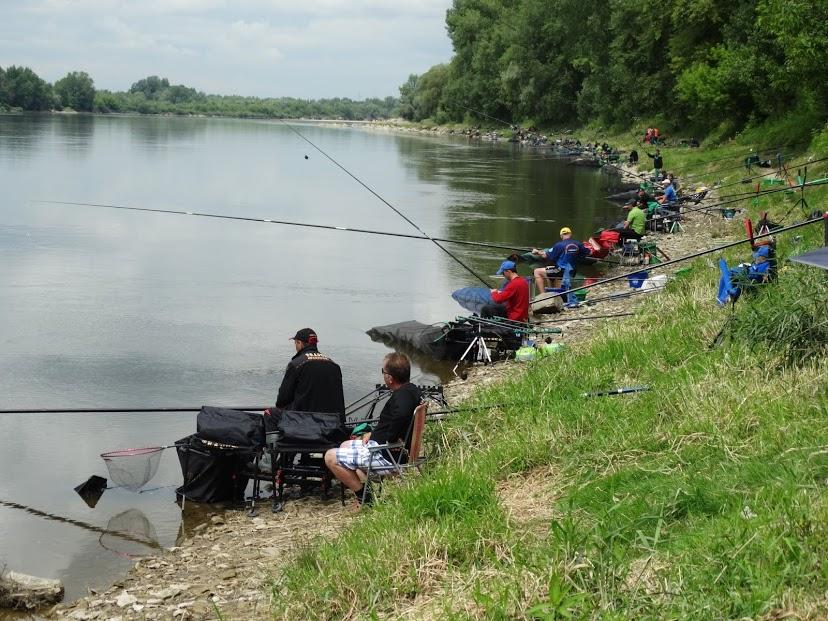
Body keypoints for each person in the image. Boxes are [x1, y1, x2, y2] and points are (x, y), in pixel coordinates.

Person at [324, 352, 421, 506]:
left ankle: (365, 498)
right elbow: (396, 419)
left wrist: (391, 438)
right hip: (389, 449)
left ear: (390, 378)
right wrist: (373, 433)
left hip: (386, 454)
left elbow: (401, 414)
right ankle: (366, 489)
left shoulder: (403, 396)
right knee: (344, 445)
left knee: (330, 457)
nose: (383, 376)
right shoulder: (411, 390)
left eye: (383, 372)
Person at [274, 328, 345, 424]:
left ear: (299, 343)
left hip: (304, 423)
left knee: (270, 414)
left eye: (295, 343)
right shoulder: (334, 365)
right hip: (332, 423)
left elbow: (281, 401)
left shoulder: (296, 364)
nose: (295, 346)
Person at [531, 227, 588, 307]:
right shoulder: (578, 244)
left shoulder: (559, 245)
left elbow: (547, 256)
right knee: (550, 271)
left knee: (537, 271)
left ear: (561, 236)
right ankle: (555, 293)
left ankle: (543, 296)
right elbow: (586, 253)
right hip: (572, 271)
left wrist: (537, 252)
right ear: (570, 234)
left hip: (560, 271)